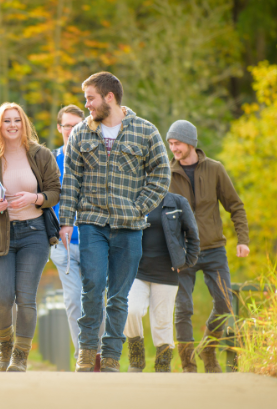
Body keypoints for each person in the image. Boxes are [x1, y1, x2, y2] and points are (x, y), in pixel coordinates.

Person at [59, 71, 171, 373]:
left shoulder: (145, 132)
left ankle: (111, 355)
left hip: (130, 227)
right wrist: (66, 222)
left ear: (110, 97)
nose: (87, 106)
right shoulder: (82, 134)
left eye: (90, 98)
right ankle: (86, 350)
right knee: (92, 286)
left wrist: (139, 207)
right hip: (92, 223)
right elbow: (70, 181)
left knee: (119, 295)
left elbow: (161, 174)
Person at [0, 102, 61, 372]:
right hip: (1, 234)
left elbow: (55, 192)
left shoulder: (41, 155)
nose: (12, 125)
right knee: (1, 299)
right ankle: (5, 345)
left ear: (24, 124)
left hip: (34, 233)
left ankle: (21, 354)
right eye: (6, 121)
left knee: (26, 298)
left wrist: (35, 198)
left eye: (17, 120)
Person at [166, 120, 249, 373]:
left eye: (177, 143)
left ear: (191, 143)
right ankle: (188, 365)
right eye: (170, 144)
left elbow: (235, 205)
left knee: (225, 303)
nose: (173, 149)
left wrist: (243, 240)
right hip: (183, 254)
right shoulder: (167, 175)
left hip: (214, 249)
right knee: (183, 309)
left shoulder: (215, 169)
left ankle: (209, 348)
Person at [49, 105, 105, 360]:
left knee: (96, 302)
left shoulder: (96, 158)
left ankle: (99, 355)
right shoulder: (49, 161)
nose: (72, 130)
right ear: (59, 128)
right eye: (67, 125)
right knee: (73, 301)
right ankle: (83, 355)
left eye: (76, 125)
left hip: (96, 242)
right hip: (65, 246)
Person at [123, 192, 199, 372]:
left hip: (166, 272)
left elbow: (193, 235)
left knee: (162, 322)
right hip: (136, 270)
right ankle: (136, 356)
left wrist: (185, 261)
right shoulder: (133, 197)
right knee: (130, 310)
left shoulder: (178, 201)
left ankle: (163, 366)